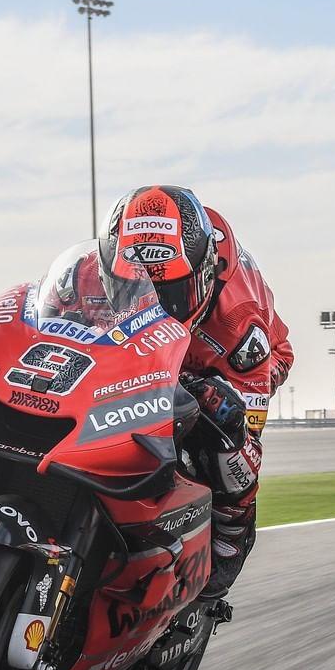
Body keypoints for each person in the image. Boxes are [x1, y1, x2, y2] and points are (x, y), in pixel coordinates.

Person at [95, 185, 293, 601]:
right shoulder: (97, 269)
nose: (153, 305)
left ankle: (233, 532)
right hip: (142, 344)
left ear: (202, 275)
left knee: (226, 429)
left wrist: (218, 405)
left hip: (224, 355)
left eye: (170, 294)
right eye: (133, 287)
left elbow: (249, 438)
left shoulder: (240, 326)